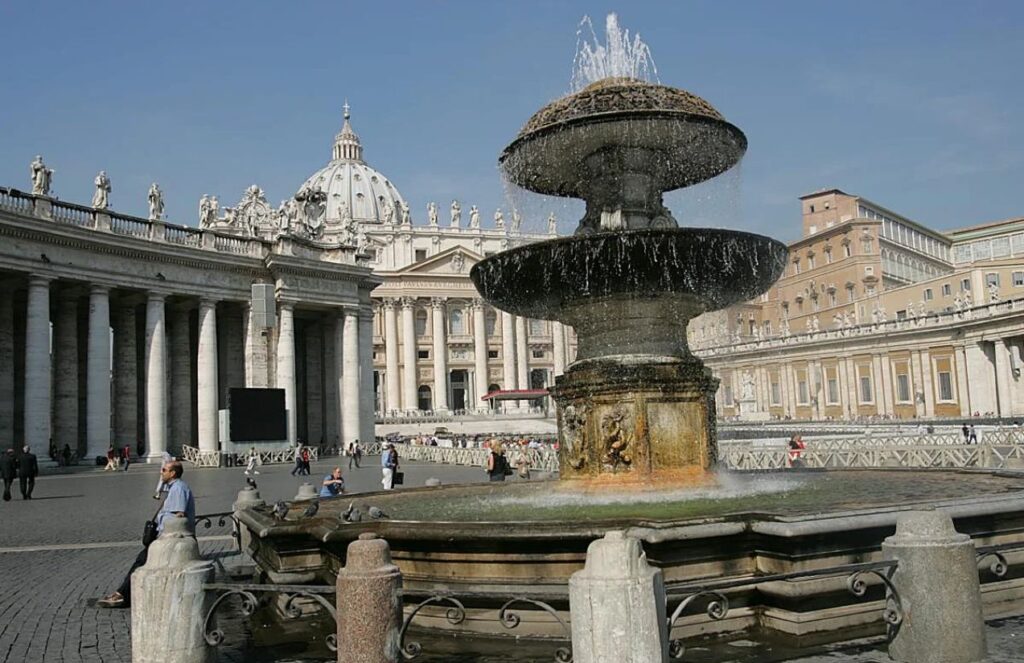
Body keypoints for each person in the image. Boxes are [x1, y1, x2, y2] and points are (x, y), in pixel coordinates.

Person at [97, 460, 195, 608]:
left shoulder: (178, 489)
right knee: (140, 561)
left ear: (173, 473)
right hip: (164, 537)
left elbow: (178, 517)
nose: (161, 473)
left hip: (169, 539)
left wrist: (163, 537)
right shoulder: (173, 488)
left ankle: (122, 595)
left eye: (164, 470)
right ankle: (123, 594)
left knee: (141, 562)